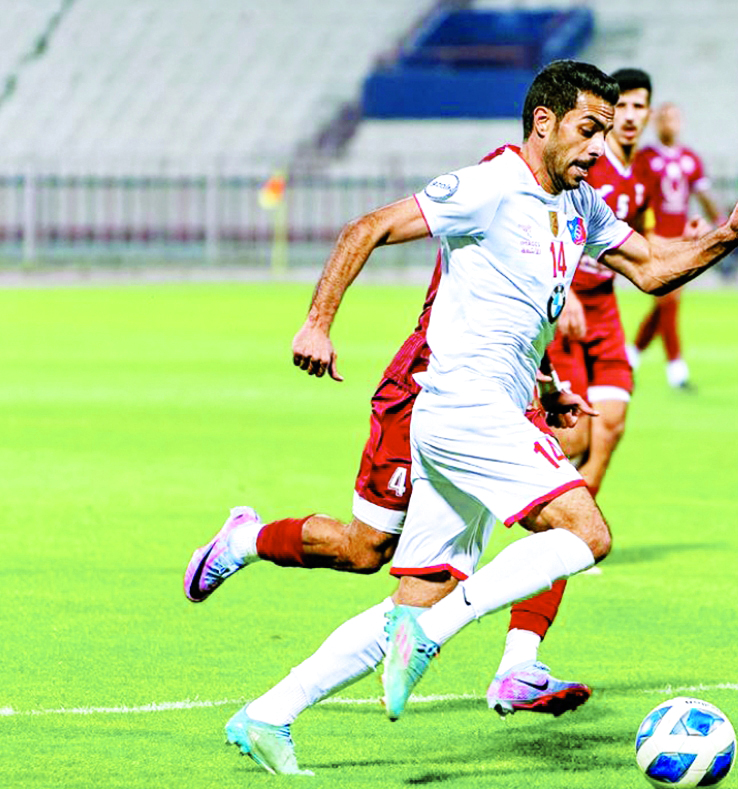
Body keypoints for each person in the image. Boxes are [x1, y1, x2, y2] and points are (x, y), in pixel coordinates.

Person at [218, 59, 738, 776]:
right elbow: (370, 226)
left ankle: (269, 714)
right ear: (544, 122)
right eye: (588, 129)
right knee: (587, 531)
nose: (600, 146)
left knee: (412, 597)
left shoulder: (580, 203)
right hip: (464, 404)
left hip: (482, 413)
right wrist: (317, 323)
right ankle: (440, 635)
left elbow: (652, 265)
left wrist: (725, 236)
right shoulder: (490, 185)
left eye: (605, 131)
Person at [185, 255, 594, 720]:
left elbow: (523, 316)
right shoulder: (491, 195)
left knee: (566, 521)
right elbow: (371, 228)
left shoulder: (561, 211)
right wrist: (317, 324)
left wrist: (547, 388)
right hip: (427, 388)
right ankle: (245, 541)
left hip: (498, 398)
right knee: (364, 550)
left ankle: (518, 665)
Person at [548, 67, 654, 496]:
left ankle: (575, 534)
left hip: (605, 308)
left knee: (610, 426)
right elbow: (549, 222)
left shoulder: (644, 171)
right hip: (568, 305)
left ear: (648, 113)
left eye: (638, 106)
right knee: (574, 437)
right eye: (622, 106)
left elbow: (642, 236)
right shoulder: (586, 165)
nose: (630, 115)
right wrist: (564, 289)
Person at [630, 103, 724, 391]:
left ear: (680, 122)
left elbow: (702, 193)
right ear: (656, 123)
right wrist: (646, 233)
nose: (668, 124)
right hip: (655, 239)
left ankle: (629, 357)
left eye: (672, 118)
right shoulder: (645, 158)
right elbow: (640, 199)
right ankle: (677, 370)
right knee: (668, 301)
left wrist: (721, 222)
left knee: (666, 303)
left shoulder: (690, 159)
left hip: (683, 240)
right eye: (663, 118)